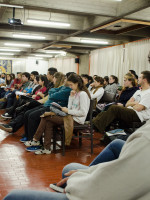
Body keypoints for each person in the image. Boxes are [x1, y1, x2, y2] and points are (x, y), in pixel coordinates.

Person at [3, 119, 150, 200]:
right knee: (70, 168)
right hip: (122, 183)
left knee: (14, 197)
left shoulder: (146, 139)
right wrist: (88, 173)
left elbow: (107, 191)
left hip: (102, 193)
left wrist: (79, 179)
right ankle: (35, 139)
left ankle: (38, 141)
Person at [25, 73, 91, 154]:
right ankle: (46, 148)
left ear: (77, 83)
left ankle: (35, 139)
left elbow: (83, 112)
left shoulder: (83, 94)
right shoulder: (75, 93)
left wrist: (68, 111)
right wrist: (71, 97)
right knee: (48, 120)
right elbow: (70, 107)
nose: (70, 87)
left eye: (71, 85)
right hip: (70, 116)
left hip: (76, 120)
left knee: (46, 117)